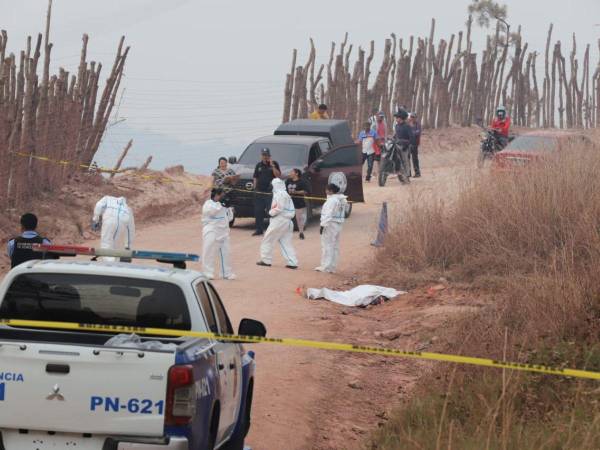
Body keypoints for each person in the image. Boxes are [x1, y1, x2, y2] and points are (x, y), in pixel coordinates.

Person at [257, 178, 298, 269]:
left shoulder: (279, 194)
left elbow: (279, 208)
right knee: (285, 242)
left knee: (268, 239)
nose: (271, 187)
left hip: (279, 220)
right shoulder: (285, 194)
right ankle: (292, 262)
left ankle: (266, 260)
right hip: (287, 221)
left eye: (272, 185)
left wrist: (270, 212)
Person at [201, 188, 235, 280]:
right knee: (208, 251)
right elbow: (210, 212)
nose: (223, 197)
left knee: (226, 253)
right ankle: (207, 273)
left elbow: (230, 218)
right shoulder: (208, 204)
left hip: (223, 232)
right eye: (221, 195)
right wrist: (220, 204)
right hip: (211, 230)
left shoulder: (223, 205)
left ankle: (226, 273)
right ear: (216, 195)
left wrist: (228, 208)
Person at [315, 183, 348, 273]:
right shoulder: (341, 200)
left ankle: (325, 266)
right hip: (338, 225)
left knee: (327, 246)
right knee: (334, 246)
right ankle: (332, 267)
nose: (325, 191)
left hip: (330, 224)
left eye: (327, 189)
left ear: (330, 191)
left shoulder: (332, 201)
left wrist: (323, 225)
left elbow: (328, 214)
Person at [92, 196, 135, 261]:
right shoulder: (128, 209)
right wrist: (128, 246)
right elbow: (130, 230)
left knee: (106, 244)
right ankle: (115, 264)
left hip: (109, 219)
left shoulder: (107, 199)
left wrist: (96, 219)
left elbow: (99, 205)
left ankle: (109, 265)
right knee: (114, 246)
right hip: (122, 221)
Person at [252, 148, 281, 236]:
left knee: (271, 211)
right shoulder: (258, 165)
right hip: (259, 192)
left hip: (270, 192)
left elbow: (278, 175)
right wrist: (255, 188)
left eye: (266, 155)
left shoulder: (274, 164)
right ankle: (259, 229)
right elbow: (255, 177)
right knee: (258, 211)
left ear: (269, 156)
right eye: (263, 155)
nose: (265, 157)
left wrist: (272, 166)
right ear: (261, 156)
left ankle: (272, 229)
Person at [285, 168, 309, 240]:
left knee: (299, 218)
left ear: (296, 173)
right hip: (289, 201)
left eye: (291, 172)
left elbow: (305, 191)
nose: (290, 173)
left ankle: (301, 232)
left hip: (299, 201)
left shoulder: (302, 181)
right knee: (286, 217)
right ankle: (285, 233)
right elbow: (284, 189)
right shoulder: (288, 181)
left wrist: (296, 192)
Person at [393, 109, 415, 184]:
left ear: (401, 118)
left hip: (405, 147)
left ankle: (407, 177)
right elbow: (396, 135)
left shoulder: (407, 126)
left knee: (405, 162)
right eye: (396, 117)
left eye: (397, 117)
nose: (396, 119)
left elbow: (412, 138)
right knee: (397, 162)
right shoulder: (396, 126)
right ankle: (401, 177)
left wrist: (406, 144)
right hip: (397, 147)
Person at [408, 112, 422, 177]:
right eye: (411, 117)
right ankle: (408, 173)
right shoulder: (408, 124)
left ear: (416, 118)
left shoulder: (418, 125)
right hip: (408, 143)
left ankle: (417, 173)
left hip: (415, 144)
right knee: (407, 158)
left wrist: (411, 132)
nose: (412, 118)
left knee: (415, 159)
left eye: (413, 117)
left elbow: (418, 133)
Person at [374, 112, 387, 177]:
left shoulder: (384, 124)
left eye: (382, 117)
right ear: (377, 116)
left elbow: (385, 133)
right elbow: (373, 134)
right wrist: (379, 137)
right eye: (380, 117)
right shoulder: (374, 125)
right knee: (378, 159)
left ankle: (382, 171)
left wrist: (385, 139)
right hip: (377, 144)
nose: (381, 118)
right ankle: (379, 172)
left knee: (384, 157)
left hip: (383, 143)